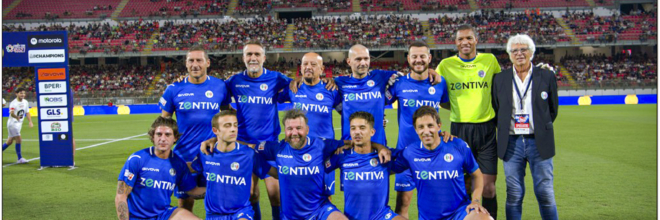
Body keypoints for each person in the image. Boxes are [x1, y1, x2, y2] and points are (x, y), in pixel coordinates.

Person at [255, 109, 391, 220]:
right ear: (285, 130)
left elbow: (355, 143)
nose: (294, 133)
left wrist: (379, 147)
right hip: (291, 216)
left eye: (299, 128)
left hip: (320, 210)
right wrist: (268, 170)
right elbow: (248, 151)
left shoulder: (321, 144)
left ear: (307, 130)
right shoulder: (276, 148)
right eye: (290, 129)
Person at [435, 24, 501, 219]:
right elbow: (438, 94)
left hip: (487, 130)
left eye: (469, 38)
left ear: (476, 40)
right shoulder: (446, 65)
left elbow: (499, 90)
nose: (465, 42)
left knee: (488, 188)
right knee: (464, 186)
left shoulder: (490, 60)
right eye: (461, 39)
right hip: (459, 130)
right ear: (455, 43)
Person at [491, 34, 559, 220]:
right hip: (511, 143)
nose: (519, 53)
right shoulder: (500, 79)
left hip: (539, 141)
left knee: (545, 192)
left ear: (531, 52)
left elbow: (552, 110)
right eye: (514, 50)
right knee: (514, 194)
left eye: (523, 49)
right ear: (509, 54)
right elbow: (498, 109)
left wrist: (539, 127)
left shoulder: (546, 75)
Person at [159, 45, 232, 211]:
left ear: (207, 62)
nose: (195, 64)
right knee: (184, 203)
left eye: (199, 60)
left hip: (213, 154)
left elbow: (227, 115)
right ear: (186, 64)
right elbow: (163, 123)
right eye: (191, 60)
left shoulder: (220, 86)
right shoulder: (173, 89)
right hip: (184, 156)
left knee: (216, 202)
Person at [385, 41, 449, 218]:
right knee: (402, 207)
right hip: (406, 155)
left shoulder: (440, 82)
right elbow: (379, 102)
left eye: (422, 56)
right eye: (414, 56)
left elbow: (449, 105)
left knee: (436, 207)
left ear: (429, 58)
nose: (418, 60)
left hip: (433, 156)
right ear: (408, 59)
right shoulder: (398, 83)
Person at [392, 106, 491, 220]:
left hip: (459, 213)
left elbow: (476, 174)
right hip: (429, 217)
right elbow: (388, 169)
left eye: (430, 125)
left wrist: (476, 201)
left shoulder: (458, 146)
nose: (426, 131)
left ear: (439, 125)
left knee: (483, 218)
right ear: (415, 129)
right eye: (421, 127)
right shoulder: (410, 153)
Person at [277, 52, 341, 200]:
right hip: (298, 151)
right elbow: (272, 98)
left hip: (324, 152)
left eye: (313, 64)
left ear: (322, 69)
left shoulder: (331, 90)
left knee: (325, 198)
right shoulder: (293, 88)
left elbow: (346, 113)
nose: (308, 67)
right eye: (305, 64)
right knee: (297, 196)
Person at [115, 116, 205, 220]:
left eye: (167, 134)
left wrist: (218, 188)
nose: (163, 139)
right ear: (153, 137)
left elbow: (192, 191)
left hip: (163, 214)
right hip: (137, 217)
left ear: (175, 138)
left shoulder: (178, 164)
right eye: (159, 134)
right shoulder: (138, 159)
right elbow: (121, 196)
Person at [190, 109, 274, 220]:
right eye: (227, 126)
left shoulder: (248, 154)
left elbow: (275, 173)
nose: (233, 129)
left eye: (235, 125)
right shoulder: (205, 153)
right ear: (216, 130)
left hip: (241, 212)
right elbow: (191, 169)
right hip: (213, 215)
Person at [324, 111, 406, 220]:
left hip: (382, 216)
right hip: (352, 217)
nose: (357, 132)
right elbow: (317, 170)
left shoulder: (385, 154)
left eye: (362, 128)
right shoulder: (342, 155)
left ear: (372, 132)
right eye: (353, 128)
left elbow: (412, 156)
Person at [3, 88, 33, 164]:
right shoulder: (13, 103)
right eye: (20, 93)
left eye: (23, 93)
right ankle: (20, 158)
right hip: (13, 124)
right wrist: (17, 117)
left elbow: (27, 112)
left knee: (9, 142)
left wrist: (30, 122)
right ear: (16, 94)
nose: (22, 94)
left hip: (19, 124)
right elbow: (12, 113)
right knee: (19, 139)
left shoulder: (25, 102)